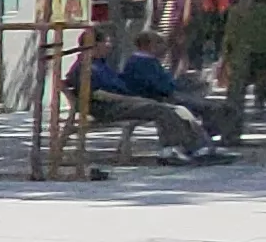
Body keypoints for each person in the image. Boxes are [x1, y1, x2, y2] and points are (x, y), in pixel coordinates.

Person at [87, 31, 228, 163]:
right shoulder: (87, 67)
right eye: (106, 42)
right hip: (111, 107)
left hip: (127, 101)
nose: (109, 45)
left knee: (178, 109)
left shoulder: (102, 64)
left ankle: (199, 146)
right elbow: (99, 94)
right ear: (94, 44)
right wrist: (133, 99)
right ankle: (169, 150)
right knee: (164, 109)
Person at [220, 0, 266, 140]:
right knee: (263, 79)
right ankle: (259, 103)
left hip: (241, 52)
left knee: (239, 83)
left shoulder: (236, 11)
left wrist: (227, 54)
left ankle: (235, 108)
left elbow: (229, 34)